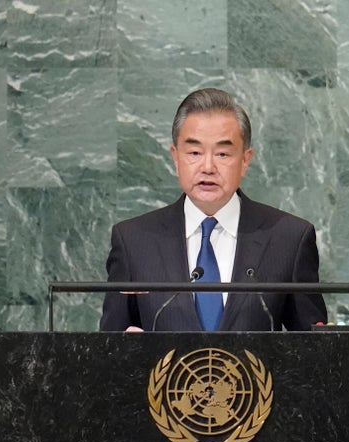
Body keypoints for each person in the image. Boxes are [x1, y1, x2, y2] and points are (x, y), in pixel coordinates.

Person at [99, 88, 326, 331]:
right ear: (175, 157)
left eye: (223, 153)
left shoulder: (289, 238)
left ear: (245, 160)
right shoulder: (134, 241)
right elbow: (109, 349)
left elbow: (314, 353)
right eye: (194, 152)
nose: (208, 167)